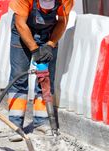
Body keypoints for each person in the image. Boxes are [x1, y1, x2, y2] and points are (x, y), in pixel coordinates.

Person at [8, 0, 73, 141]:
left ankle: (41, 123)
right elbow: (20, 23)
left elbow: (62, 21)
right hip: (23, 30)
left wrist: (50, 45)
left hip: (48, 32)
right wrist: (35, 49)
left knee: (45, 78)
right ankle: (15, 125)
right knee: (19, 77)